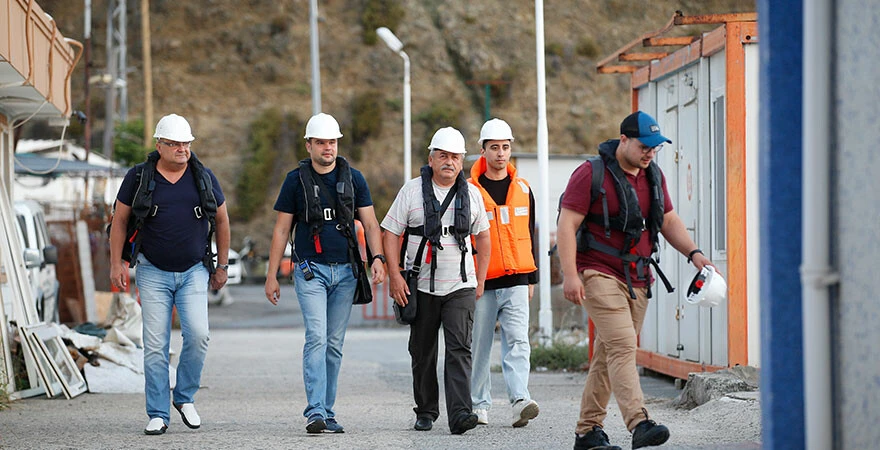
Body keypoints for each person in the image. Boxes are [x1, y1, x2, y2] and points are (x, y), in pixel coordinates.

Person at [557, 111, 714, 450]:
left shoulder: (653, 175)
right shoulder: (590, 174)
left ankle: (587, 432)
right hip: (598, 272)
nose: (650, 153)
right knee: (625, 345)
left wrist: (694, 253)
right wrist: (570, 274)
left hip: (639, 278)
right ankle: (639, 422)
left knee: (609, 352)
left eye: (656, 148)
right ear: (624, 140)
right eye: (645, 146)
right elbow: (567, 224)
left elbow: (668, 220)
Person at [264, 113, 387, 434]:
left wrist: (378, 257)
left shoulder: (354, 179)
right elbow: (281, 230)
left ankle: (328, 412)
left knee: (334, 343)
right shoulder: (295, 181)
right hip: (310, 272)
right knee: (316, 338)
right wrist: (272, 274)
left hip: (347, 272)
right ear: (309, 146)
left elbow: (371, 224)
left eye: (331, 142)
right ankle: (315, 411)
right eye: (321, 142)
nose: (327, 148)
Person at [109, 113, 230, 435]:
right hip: (151, 272)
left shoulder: (203, 177)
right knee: (155, 345)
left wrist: (222, 266)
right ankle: (158, 413)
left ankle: (184, 396)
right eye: (174, 144)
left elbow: (222, 221)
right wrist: (115, 263)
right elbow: (120, 220)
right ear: (159, 145)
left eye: (186, 144)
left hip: (193, 271)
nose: (181, 150)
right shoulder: (138, 177)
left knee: (198, 335)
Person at [382, 126, 491, 435]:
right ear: (431, 159)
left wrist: (479, 280)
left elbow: (483, 237)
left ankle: (460, 415)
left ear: (462, 162)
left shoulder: (471, 194)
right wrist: (394, 275)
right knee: (422, 351)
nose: (449, 162)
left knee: (459, 349)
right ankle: (426, 410)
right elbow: (390, 233)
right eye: (443, 156)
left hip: (460, 285)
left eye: (455, 157)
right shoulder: (411, 191)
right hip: (421, 285)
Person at [467, 118, 539, 427]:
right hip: (482, 282)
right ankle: (478, 405)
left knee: (518, 341)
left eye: (505, 147)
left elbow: (530, 234)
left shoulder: (523, 189)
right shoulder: (468, 192)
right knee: (479, 345)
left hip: (518, 280)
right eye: (494, 147)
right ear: (482, 150)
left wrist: (533, 278)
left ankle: (520, 400)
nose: (500, 153)